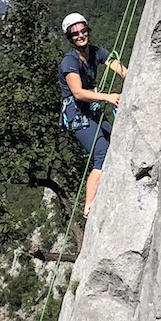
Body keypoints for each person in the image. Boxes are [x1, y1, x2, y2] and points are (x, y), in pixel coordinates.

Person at [58, 12, 127, 216]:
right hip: (77, 114)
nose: (80, 35)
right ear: (70, 39)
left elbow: (121, 69)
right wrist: (108, 97)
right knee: (102, 154)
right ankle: (89, 206)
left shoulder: (96, 52)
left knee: (114, 140)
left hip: (92, 109)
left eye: (83, 30)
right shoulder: (69, 62)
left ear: (88, 30)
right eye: (75, 33)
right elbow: (78, 93)